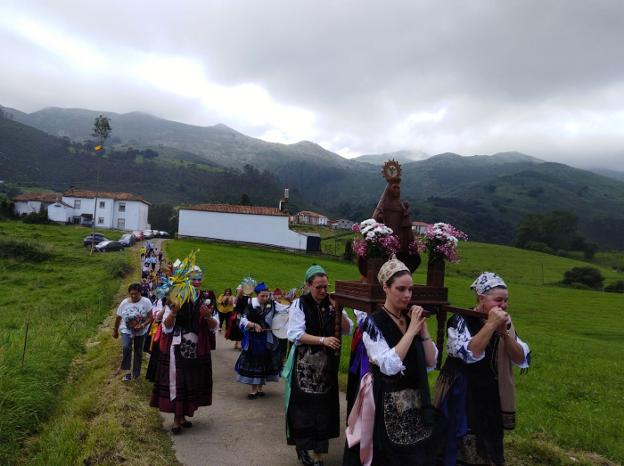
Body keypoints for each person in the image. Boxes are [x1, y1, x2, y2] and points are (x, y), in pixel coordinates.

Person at [344, 256, 440, 466]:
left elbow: (431, 361)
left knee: (417, 454)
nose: (407, 295)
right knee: (390, 455)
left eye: (410, 290)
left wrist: (423, 332)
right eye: (401, 289)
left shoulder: (411, 320)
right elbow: (389, 366)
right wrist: (412, 330)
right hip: (387, 401)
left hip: (415, 400)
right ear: (386, 288)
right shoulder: (372, 324)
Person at [434, 272, 530, 466]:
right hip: (461, 391)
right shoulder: (460, 320)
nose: (503, 305)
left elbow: (521, 358)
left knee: (489, 445)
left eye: (506, 301)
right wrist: (490, 326)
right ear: (481, 299)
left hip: (489, 394)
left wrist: (504, 334)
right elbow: (469, 353)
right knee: (457, 443)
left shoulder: (506, 323)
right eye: (498, 300)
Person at [284, 264, 353, 466]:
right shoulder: (300, 304)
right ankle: (303, 448)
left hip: (327, 367)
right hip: (305, 365)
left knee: (324, 409)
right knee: (304, 407)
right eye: (318, 287)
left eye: (325, 286)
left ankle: (319, 454)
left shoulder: (332, 304)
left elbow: (348, 329)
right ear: (308, 285)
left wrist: (337, 309)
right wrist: (323, 340)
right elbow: (295, 334)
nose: (323, 291)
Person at [150, 266, 219, 434]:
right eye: (193, 279)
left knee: (191, 380)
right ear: (187, 280)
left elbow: (214, 326)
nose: (196, 282)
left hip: (197, 346)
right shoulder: (176, 297)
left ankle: (183, 416)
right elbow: (166, 325)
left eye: (198, 279)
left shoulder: (206, 298)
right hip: (177, 345)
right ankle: (175, 420)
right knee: (178, 380)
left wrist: (208, 316)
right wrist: (173, 313)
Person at [235, 282, 288, 398]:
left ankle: (260, 388)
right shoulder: (250, 304)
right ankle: (253, 390)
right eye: (262, 296)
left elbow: (285, 310)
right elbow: (242, 320)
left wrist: (292, 304)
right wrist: (253, 325)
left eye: (267, 296)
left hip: (267, 339)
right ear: (257, 295)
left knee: (264, 362)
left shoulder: (273, 304)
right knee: (254, 363)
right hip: (253, 339)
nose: (265, 298)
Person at [113, 283, 154, 381]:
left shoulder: (146, 302)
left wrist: (143, 325)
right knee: (126, 346)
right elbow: (118, 318)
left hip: (140, 331)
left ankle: (135, 373)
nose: (133, 296)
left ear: (140, 293)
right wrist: (115, 331)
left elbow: (150, 317)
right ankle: (125, 368)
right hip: (126, 330)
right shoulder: (124, 303)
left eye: (136, 294)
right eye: (131, 294)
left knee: (138, 351)